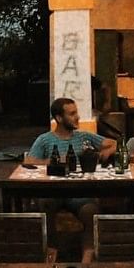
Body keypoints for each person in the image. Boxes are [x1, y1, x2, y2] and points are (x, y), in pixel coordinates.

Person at [26, 98, 117, 248]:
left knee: (91, 212)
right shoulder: (45, 139)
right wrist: (51, 161)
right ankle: (51, 255)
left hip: (78, 191)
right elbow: (28, 161)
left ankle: (87, 261)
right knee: (45, 205)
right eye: (72, 114)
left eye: (77, 113)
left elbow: (115, 143)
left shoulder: (84, 137)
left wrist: (108, 151)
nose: (78, 117)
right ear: (59, 118)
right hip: (53, 191)